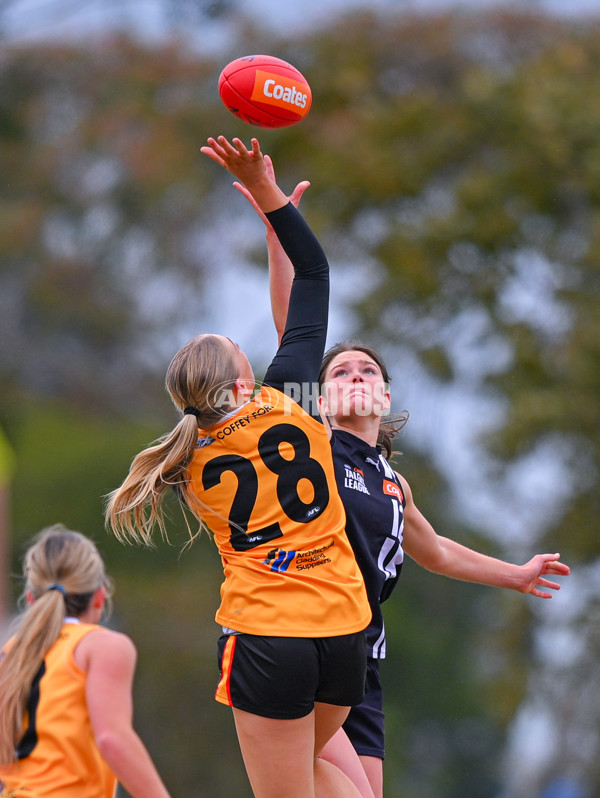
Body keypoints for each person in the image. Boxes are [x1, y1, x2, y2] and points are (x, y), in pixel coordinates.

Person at [234, 162, 572, 798]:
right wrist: (279, 232)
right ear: (319, 396)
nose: (354, 375)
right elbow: (294, 326)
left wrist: (517, 574)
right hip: (304, 633)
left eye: (367, 370)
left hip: (361, 657)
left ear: (385, 395)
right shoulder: (311, 445)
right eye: (340, 372)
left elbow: (437, 551)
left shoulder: (393, 481)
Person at [105, 136, 372, 798]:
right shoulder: (293, 400)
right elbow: (314, 279)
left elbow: (299, 298)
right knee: (314, 776)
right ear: (243, 380)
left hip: (268, 639)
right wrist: (270, 200)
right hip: (344, 630)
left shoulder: (186, 456)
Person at [0, 524, 172, 798]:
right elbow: (112, 739)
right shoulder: (101, 645)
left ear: (32, 599)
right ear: (100, 597)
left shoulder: (11, 654)